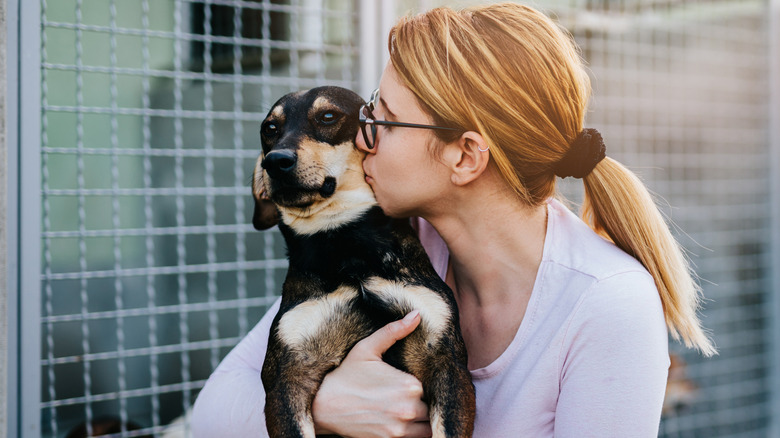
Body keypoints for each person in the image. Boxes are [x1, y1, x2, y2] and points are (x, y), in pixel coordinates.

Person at [192, 3, 716, 437]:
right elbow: (212, 414)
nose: (361, 140)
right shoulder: (398, 240)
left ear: (464, 156)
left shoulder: (606, 302)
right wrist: (325, 405)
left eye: (382, 121)